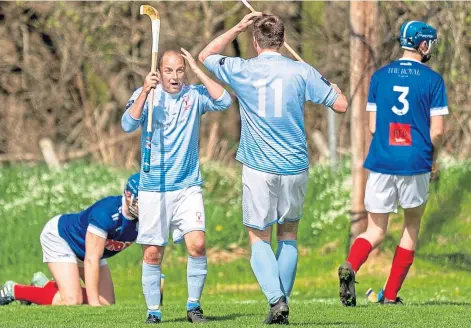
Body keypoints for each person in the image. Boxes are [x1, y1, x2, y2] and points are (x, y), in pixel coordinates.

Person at [199, 13, 348, 324]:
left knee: (259, 237)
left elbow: (206, 55)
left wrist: (237, 27)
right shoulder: (301, 71)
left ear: (255, 42)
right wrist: (332, 88)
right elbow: (341, 105)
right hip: (295, 166)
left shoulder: (242, 68)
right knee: (289, 235)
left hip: (259, 166)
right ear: (283, 41)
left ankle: (276, 300)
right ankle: (280, 307)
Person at [338, 21, 447, 306]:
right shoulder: (433, 80)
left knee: (374, 229)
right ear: (422, 45)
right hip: (415, 161)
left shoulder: (379, 76)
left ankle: (350, 264)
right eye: (430, 43)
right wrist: (432, 157)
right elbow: (437, 131)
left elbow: (374, 127)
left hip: (382, 160)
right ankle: (390, 295)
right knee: (411, 226)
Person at [121, 48, 232, 324]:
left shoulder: (194, 96)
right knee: (153, 252)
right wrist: (145, 93)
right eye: (168, 71)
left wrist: (197, 69)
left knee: (197, 244)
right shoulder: (146, 95)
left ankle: (194, 306)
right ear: (159, 72)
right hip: (153, 187)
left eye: (179, 70)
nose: (174, 76)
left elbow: (225, 100)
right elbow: (127, 124)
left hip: (187, 186)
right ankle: (154, 311)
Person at [0, 173, 142, 307]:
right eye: (139, 200)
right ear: (128, 194)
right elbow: (91, 259)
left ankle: (46, 287)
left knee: (107, 303)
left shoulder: (147, 217)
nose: (144, 206)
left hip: (87, 249)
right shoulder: (107, 212)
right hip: (63, 238)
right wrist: (94, 305)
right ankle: (15, 290)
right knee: (73, 300)